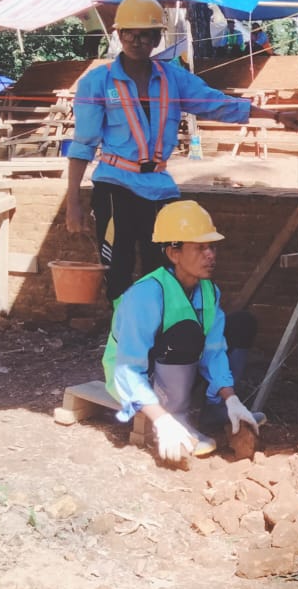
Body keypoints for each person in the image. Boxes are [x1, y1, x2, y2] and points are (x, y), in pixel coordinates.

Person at [64, 0, 298, 303]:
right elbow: (83, 144)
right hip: (114, 188)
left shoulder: (173, 79)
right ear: (118, 35)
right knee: (117, 271)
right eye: (129, 33)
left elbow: (216, 103)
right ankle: (124, 342)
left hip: (160, 190)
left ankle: (160, 342)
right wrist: (73, 202)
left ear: (158, 37)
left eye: (145, 33)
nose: (136, 40)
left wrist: (275, 115)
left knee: (163, 270)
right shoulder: (96, 83)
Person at [102, 200, 262, 467]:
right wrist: (162, 420)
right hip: (133, 376)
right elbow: (127, 369)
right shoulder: (145, 295)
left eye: (212, 247)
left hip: (179, 366)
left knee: (241, 324)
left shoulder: (209, 291)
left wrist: (230, 397)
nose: (210, 255)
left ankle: (215, 411)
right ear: (173, 253)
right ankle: (174, 417)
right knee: (185, 332)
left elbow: (214, 350)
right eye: (200, 248)